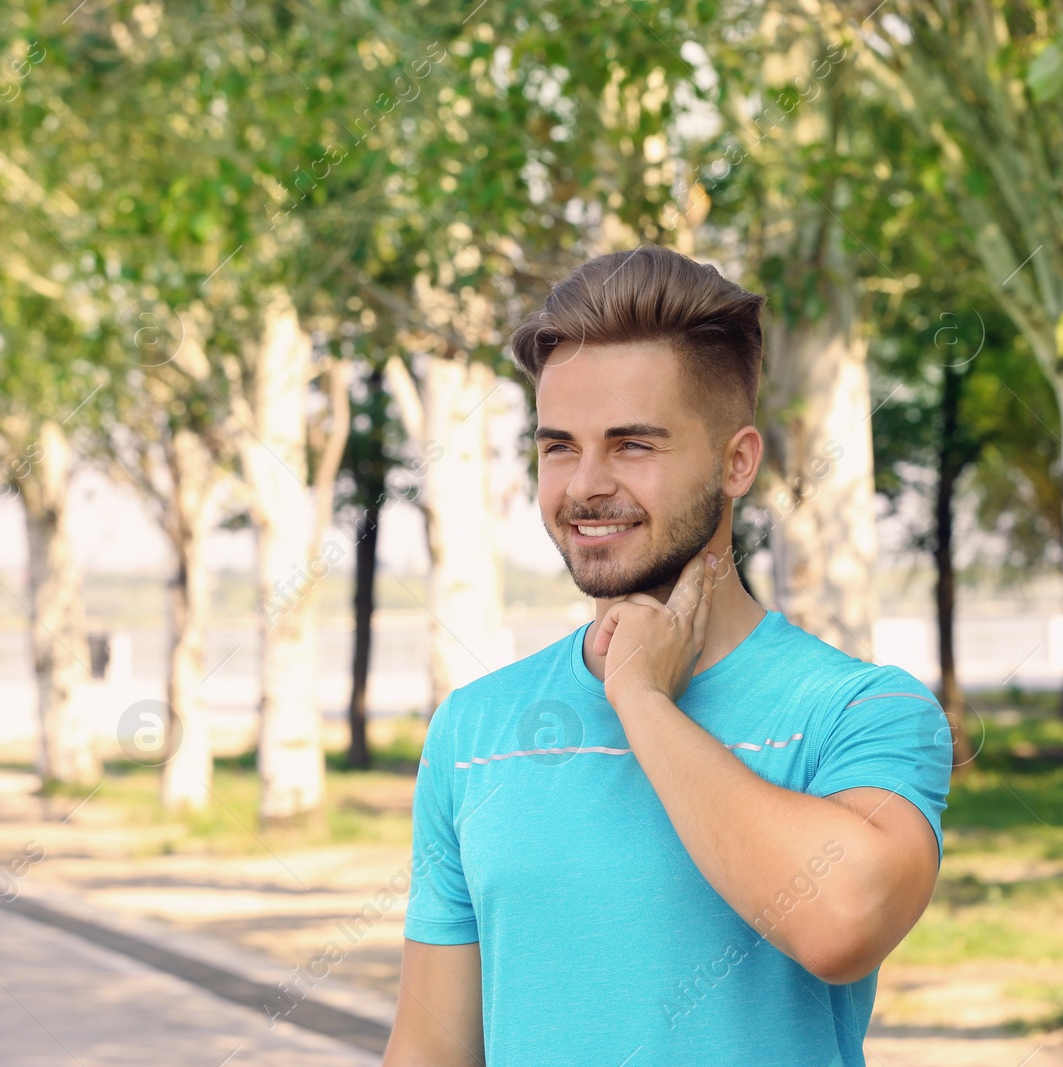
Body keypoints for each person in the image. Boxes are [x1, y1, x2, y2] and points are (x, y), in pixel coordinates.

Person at [382, 245, 953, 1067]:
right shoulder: (476, 728)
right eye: (559, 447)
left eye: (633, 445)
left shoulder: (861, 710)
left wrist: (642, 699)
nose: (585, 484)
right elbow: (431, 1051)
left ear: (737, 461)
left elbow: (843, 920)